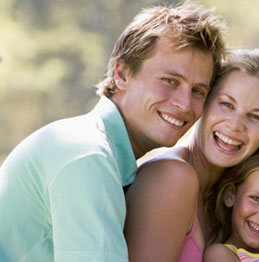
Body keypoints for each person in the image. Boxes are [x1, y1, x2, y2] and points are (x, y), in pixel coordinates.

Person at [0, 2, 226, 261]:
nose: (185, 104)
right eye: (170, 81)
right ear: (122, 74)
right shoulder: (88, 156)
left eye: (198, 91)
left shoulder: (102, 156)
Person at [124, 48, 259, 261]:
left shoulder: (240, 204)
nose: (235, 125)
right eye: (227, 105)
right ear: (204, 102)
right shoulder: (171, 177)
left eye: (254, 117)